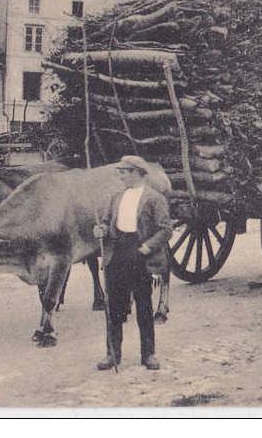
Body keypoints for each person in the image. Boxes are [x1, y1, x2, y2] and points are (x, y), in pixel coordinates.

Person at [93, 156, 173, 371]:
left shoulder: (154, 199)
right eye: (120, 172)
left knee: (143, 307)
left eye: (124, 172)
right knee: (113, 307)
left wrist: (147, 247)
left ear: (137, 173)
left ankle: (148, 355)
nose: (120, 176)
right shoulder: (117, 197)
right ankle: (112, 355)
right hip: (118, 253)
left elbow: (166, 229)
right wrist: (101, 229)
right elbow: (108, 223)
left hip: (141, 254)